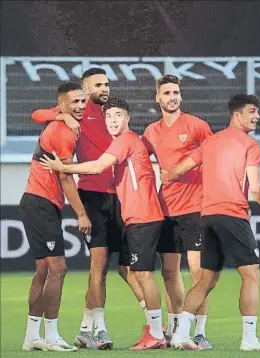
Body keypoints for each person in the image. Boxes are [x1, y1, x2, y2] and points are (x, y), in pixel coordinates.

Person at [40, 97, 167, 350]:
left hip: (143, 216)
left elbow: (98, 167)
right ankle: (153, 331)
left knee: (142, 274)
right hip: (137, 216)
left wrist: (61, 166)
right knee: (134, 272)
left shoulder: (126, 139)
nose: (112, 120)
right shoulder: (128, 141)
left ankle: (155, 333)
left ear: (128, 118)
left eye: (118, 115)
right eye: (109, 116)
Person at [161, 94, 260, 351]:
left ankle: (180, 335)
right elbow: (256, 188)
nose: (257, 116)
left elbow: (178, 171)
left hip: (207, 216)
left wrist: (166, 175)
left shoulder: (210, 142)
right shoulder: (250, 145)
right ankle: (249, 340)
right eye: (252, 111)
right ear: (237, 115)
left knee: (205, 280)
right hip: (232, 213)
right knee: (251, 274)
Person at [19, 81, 91, 352]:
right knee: (58, 269)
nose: (81, 106)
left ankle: (31, 337)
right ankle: (51, 337)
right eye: (75, 102)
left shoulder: (61, 120)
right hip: (41, 205)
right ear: (62, 104)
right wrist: (81, 214)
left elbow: (38, 114)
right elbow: (65, 176)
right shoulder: (64, 132)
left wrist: (61, 114)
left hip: (36, 203)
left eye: (83, 101)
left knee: (42, 271)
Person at [142, 75, 213, 348]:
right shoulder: (151, 132)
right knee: (169, 272)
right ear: (157, 98)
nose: (173, 96)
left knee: (198, 272)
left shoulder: (196, 125)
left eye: (176, 92)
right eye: (167, 92)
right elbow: (137, 158)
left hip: (196, 207)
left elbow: (215, 155)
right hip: (165, 210)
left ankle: (199, 331)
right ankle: (173, 329)